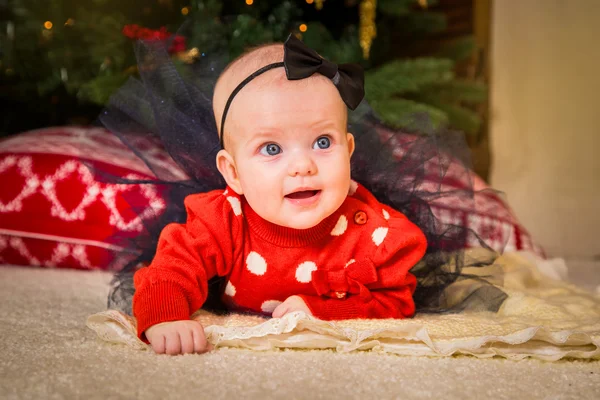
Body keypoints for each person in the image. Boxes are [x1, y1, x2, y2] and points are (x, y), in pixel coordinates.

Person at [100, 34, 506, 356]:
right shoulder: (222, 219)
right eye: (272, 149)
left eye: (322, 142)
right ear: (233, 172)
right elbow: (171, 268)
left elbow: (395, 302)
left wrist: (324, 313)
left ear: (348, 150)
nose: (303, 166)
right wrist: (165, 317)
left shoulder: (375, 232)